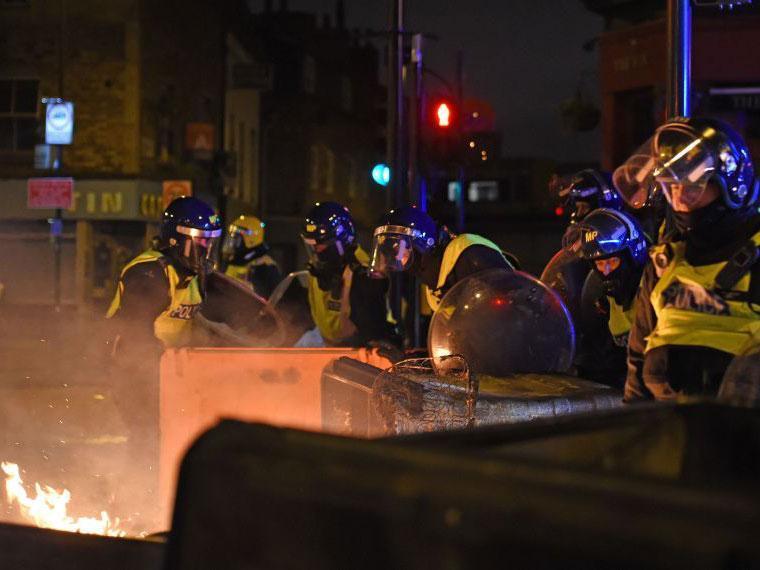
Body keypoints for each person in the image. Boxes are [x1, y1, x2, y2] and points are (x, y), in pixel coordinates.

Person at [613, 116, 760, 401]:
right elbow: (639, 357)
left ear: (730, 184)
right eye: (670, 187)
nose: (680, 199)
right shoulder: (665, 260)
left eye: (693, 187)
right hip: (673, 433)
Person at [106, 196, 222, 351]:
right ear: (176, 239)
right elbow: (135, 334)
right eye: (200, 240)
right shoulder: (150, 272)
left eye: (209, 242)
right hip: (123, 366)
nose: (206, 248)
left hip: (169, 368)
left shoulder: (194, 276)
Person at [369, 205, 513, 313]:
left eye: (398, 248)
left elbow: (506, 309)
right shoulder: (434, 278)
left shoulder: (469, 254)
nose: (395, 257)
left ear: (422, 241)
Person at [569, 208, 649, 387]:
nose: (605, 271)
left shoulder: (654, 291)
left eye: (613, 262)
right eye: (599, 263)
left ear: (631, 257)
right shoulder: (605, 301)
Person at [300, 201, 397, 347]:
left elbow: (371, 328)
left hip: (355, 349)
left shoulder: (362, 272)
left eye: (320, 244)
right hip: (325, 342)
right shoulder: (318, 269)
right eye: (312, 245)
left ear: (339, 241)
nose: (315, 250)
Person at [221, 214, 281, 299]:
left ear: (250, 240)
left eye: (236, 239)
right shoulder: (234, 261)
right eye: (231, 238)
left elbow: (269, 301)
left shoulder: (265, 267)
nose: (231, 244)